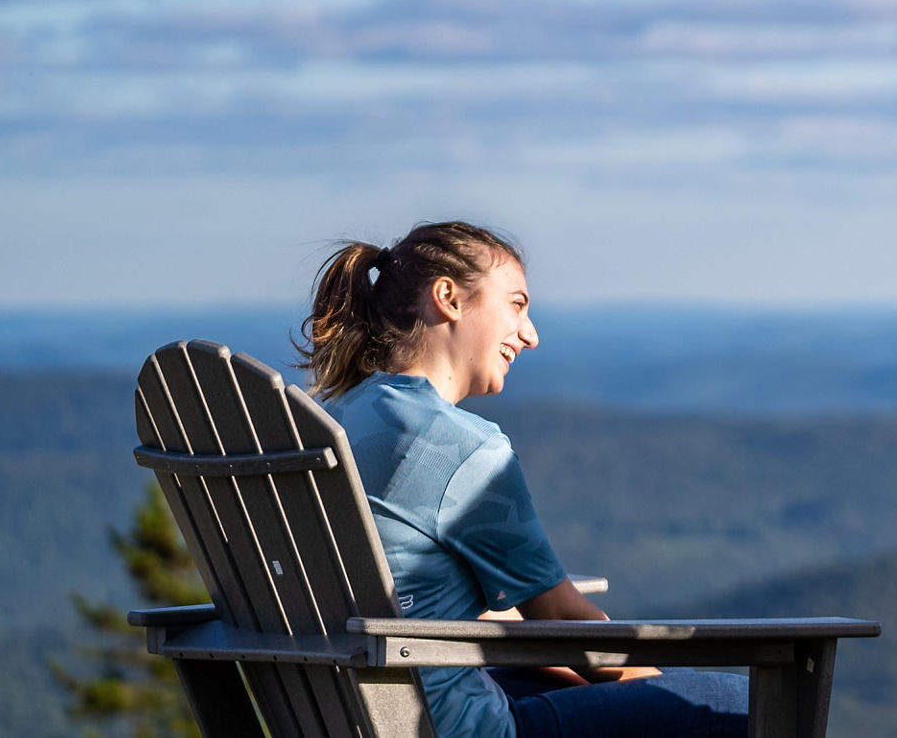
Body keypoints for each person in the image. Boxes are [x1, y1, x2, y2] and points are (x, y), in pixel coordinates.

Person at [299, 222, 749, 738]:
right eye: (516, 305)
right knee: (740, 703)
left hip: (361, 707)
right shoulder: (456, 445)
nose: (530, 334)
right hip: (453, 726)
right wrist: (653, 683)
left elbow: (417, 599)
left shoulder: (338, 419)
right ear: (448, 297)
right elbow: (560, 616)